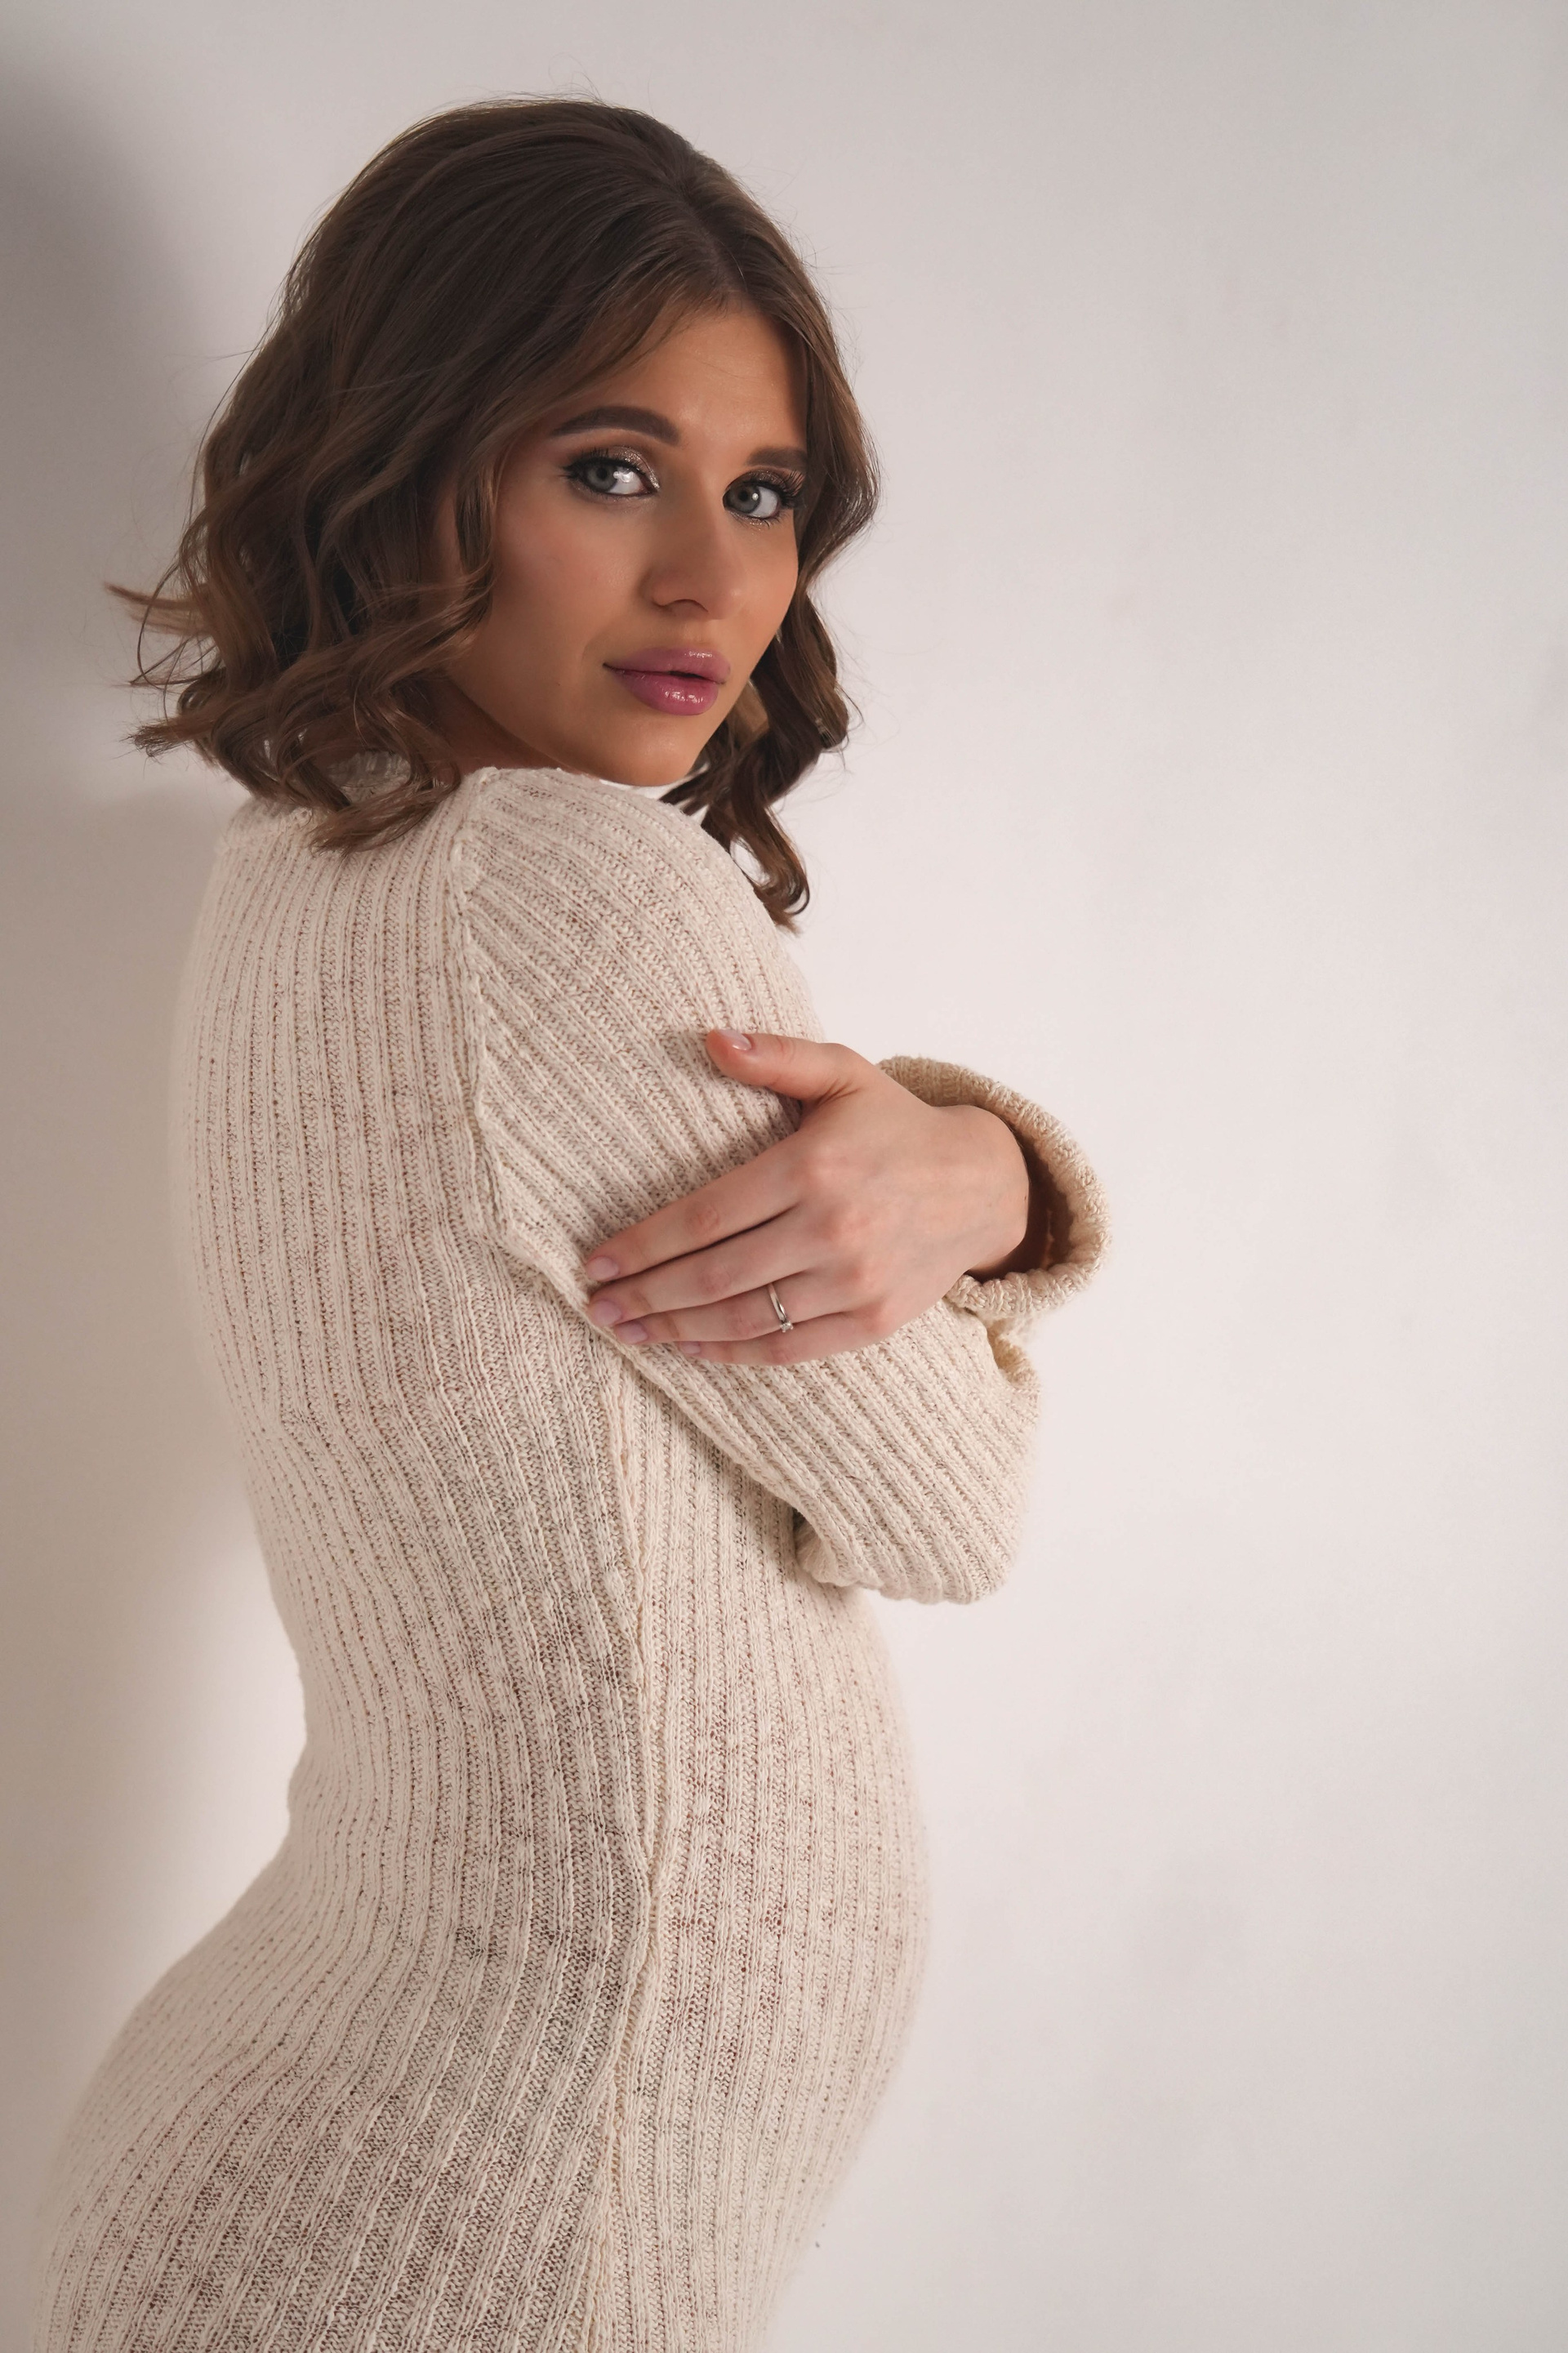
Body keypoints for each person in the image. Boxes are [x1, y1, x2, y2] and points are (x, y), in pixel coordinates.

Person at [29, 98, 1107, 2353]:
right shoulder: (556, 886)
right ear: (412, 469)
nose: (712, 580)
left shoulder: (323, 863)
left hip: (402, 2187)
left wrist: (980, 1161)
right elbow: (952, 1502)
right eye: (613, 469)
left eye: (765, 493)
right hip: (464, 2222)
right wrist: (998, 1176)